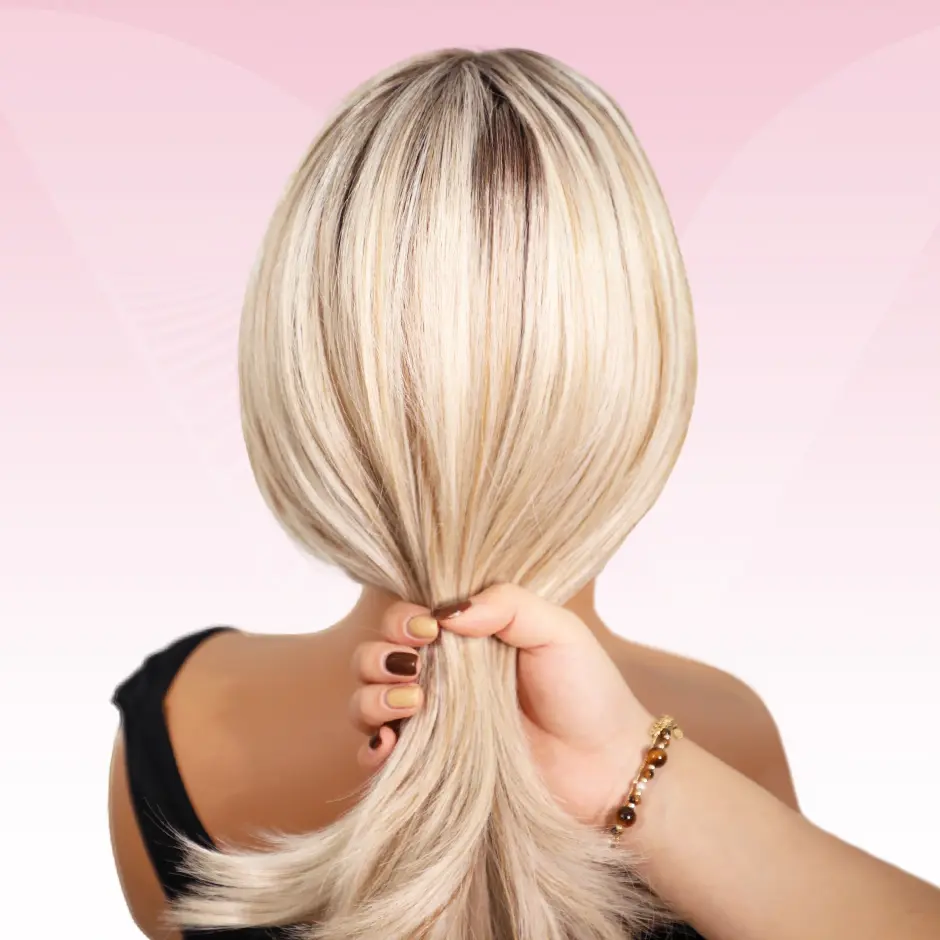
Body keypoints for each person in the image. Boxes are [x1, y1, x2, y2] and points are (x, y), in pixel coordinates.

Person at [106, 47, 940, 940]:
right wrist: (638, 776)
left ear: (300, 367)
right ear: (640, 375)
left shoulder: (179, 725)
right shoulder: (728, 742)